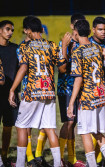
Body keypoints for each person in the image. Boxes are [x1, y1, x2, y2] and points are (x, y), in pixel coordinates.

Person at [8, 16, 67, 167]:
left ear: (27, 31)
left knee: (21, 127)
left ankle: (21, 164)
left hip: (32, 91)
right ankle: (57, 164)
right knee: (49, 129)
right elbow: (62, 68)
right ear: (41, 30)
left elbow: (23, 68)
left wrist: (12, 89)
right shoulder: (52, 45)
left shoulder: (24, 47)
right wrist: (64, 47)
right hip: (49, 92)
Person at [67, 19, 105, 167]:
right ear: (89, 31)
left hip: (87, 97)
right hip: (100, 95)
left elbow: (78, 79)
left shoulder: (77, 52)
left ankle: (93, 165)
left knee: (85, 132)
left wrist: (71, 103)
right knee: (98, 132)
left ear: (75, 33)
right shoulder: (98, 48)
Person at [16, 15, 51, 167]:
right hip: (30, 88)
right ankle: (30, 157)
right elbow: (23, 68)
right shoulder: (22, 47)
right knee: (27, 126)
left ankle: (38, 155)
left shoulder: (43, 45)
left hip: (41, 89)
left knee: (45, 124)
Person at [57, 13, 86, 167]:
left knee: (73, 123)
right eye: (76, 24)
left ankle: (72, 159)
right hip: (66, 88)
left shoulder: (85, 43)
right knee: (69, 122)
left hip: (80, 90)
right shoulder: (65, 43)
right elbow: (62, 69)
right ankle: (59, 158)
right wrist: (63, 47)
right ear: (71, 26)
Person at [89, 16, 105, 167]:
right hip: (91, 95)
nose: (104, 32)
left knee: (99, 128)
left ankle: (98, 160)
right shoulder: (87, 45)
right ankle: (95, 160)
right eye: (100, 29)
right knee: (92, 128)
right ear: (93, 30)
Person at [0, 20, 19, 167]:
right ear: (0, 30)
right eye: (7, 29)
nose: (10, 32)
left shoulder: (15, 49)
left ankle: (4, 155)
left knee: (8, 126)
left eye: (12, 30)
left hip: (11, 94)